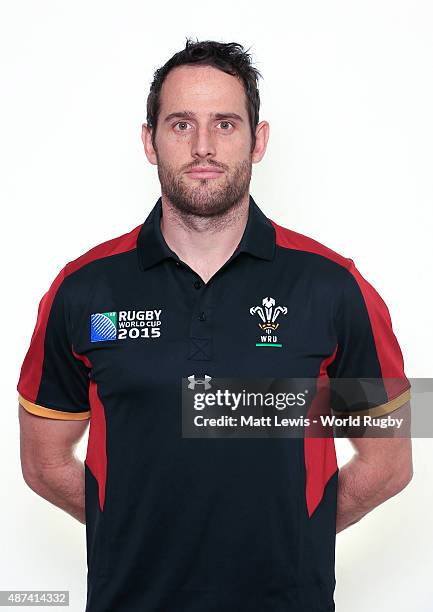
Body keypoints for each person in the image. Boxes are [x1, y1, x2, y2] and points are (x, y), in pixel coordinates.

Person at [17, 39, 412, 611]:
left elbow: (388, 462)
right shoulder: (83, 289)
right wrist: (135, 530)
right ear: (148, 141)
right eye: (180, 125)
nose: (203, 146)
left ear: (260, 140)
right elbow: (43, 461)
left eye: (225, 124)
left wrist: (293, 537)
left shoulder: (333, 286)